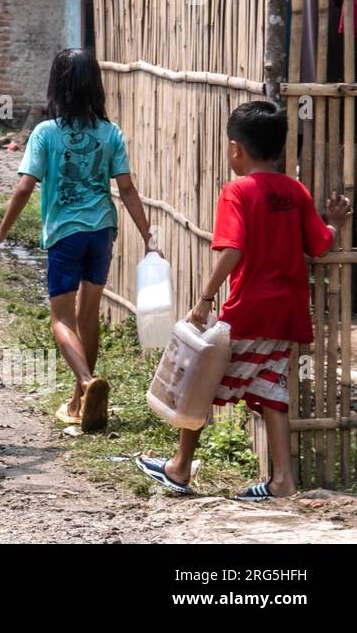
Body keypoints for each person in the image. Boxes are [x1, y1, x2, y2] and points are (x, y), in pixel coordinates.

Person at [136, 101, 351, 499]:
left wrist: (204, 298)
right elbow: (320, 244)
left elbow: (232, 250)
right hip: (286, 314)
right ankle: (283, 480)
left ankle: (179, 468)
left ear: (236, 148)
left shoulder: (238, 191)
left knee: (200, 378)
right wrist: (334, 223)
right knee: (271, 389)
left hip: (249, 310)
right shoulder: (295, 190)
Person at [0, 48, 155, 433]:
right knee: (88, 314)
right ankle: (81, 403)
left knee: (61, 318)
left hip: (65, 235)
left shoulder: (46, 133)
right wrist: (149, 236)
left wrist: (0, 234)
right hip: (101, 233)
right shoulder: (110, 133)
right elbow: (127, 189)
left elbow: (25, 188)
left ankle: (84, 384)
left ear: (57, 86)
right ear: (95, 85)